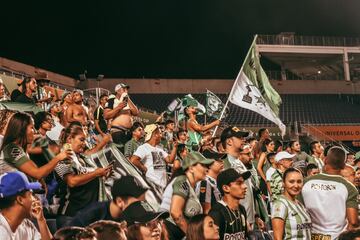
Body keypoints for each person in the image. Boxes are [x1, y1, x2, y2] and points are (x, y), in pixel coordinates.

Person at [54, 124, 112, 226]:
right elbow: (72, 181)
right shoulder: (62, 158)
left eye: (85, 140)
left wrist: (103, 174)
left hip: (87, 215)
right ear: (69, 139)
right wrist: (96, 173)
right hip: (71, 215)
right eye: (81, 140)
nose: (84, 143)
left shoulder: (83, 158)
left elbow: (88, 177)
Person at [301, 146, 359, 239]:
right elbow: (353, 222)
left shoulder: (305, 182)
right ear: (344, 165)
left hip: (310, 236)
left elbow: (298, 210)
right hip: (336, 237)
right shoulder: (349, 188)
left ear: (325, 160)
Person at [0, 112, 72, 179]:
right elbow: (37, 173)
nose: (34, 131)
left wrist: (41, 181)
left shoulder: (19, 147)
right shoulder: (11, 149)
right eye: (31, 127)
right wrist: (58, 158)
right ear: (22, 129)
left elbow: (34, 170)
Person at [160, 152, 214, 239]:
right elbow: (176, 213)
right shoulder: (182, 181)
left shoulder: (189, 185)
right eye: (203, 165)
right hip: (170, 233)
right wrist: (192, 236)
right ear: (191, 168)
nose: (207, 169)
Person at [69, 175, 147, 227]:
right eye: (137, 203)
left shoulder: (131, 219)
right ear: (120, 202)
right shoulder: (91, 214)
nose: (141, 206)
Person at [0, 171, 53, 240]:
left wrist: (41, 220)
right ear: (20, 200)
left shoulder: (25, 224)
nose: (36, 199)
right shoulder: (1, 231)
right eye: (31, 194)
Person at [130, 124, 177, 190]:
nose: (161, 136)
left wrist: (175, 147)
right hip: (152, 185)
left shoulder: (159, 149)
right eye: (160, 133)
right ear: (155, 135)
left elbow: (170, 160)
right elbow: (133, 160)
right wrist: (143, 168)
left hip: (162, 185)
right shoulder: (144, 147)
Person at [208, 168, 250, 240]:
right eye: (239, 183)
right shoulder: (217, 212)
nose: (245, 186)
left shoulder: (242, 209)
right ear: (226, 188)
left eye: (243, 183)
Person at [271, 168, 312, 240]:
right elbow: (277, 238)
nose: (296, 185)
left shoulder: (300, 204)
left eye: (299, 182)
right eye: (291, 182)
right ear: (283, 183)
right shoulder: (280, 204)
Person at [104, 83, 139, 150]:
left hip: (128, 132)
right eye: (124, 89)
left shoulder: (127, 100)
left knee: (127, 154)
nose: (126, 91)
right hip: (118, 131)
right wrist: (119, 107)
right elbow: (106, 115)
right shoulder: (112, 100)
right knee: (120, 153)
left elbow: (136, 112)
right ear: (117, 91)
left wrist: (128, 99)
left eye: (126, 89)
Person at [196, 149, 226, 214]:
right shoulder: (205, 182)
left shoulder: (215, 181)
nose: (222, 161)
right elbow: (206, 211)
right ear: (209, 164)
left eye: (221, 159)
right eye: (218, 160)